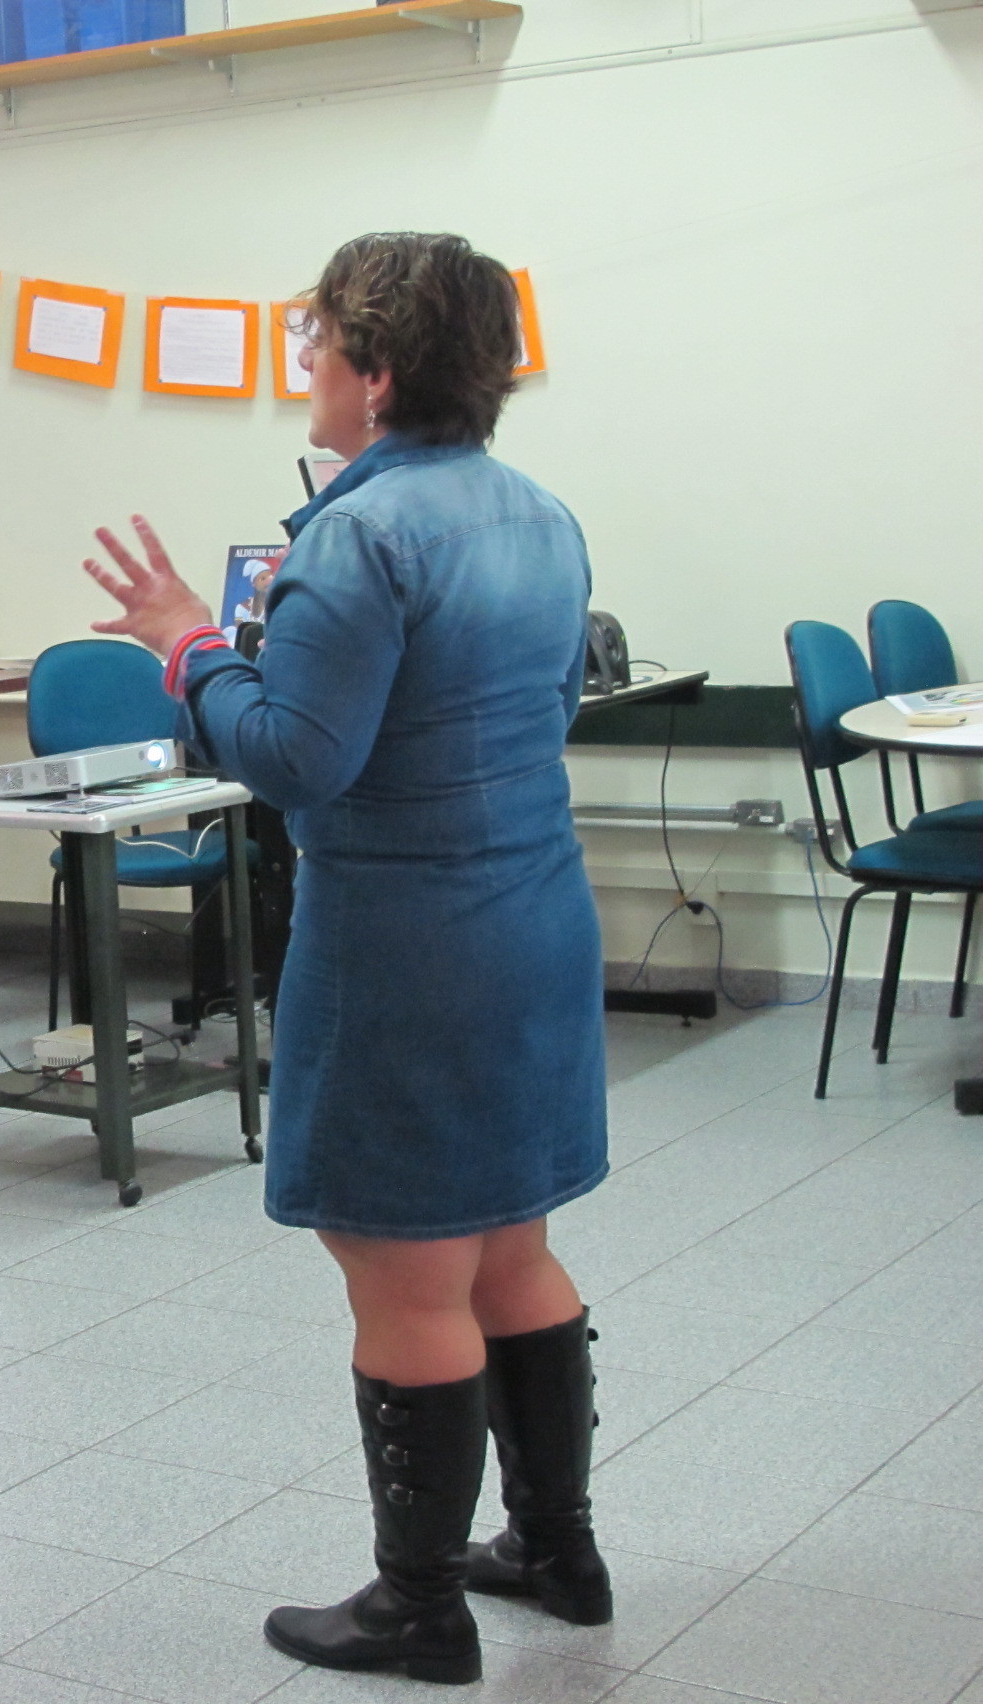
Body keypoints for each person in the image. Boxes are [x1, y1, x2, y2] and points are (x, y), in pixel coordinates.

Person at [82, 233, 612, 1685]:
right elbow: (545, 706)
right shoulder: (543, 517)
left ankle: (418, 1605)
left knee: (403, 1269)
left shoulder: (357, 536)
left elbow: (300, 765)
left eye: (318, 347)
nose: (304, 371)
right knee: (512, 1244)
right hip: (537, 917)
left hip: (407, 944)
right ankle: (559, 1552)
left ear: (374, 375)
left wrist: (190, 645)